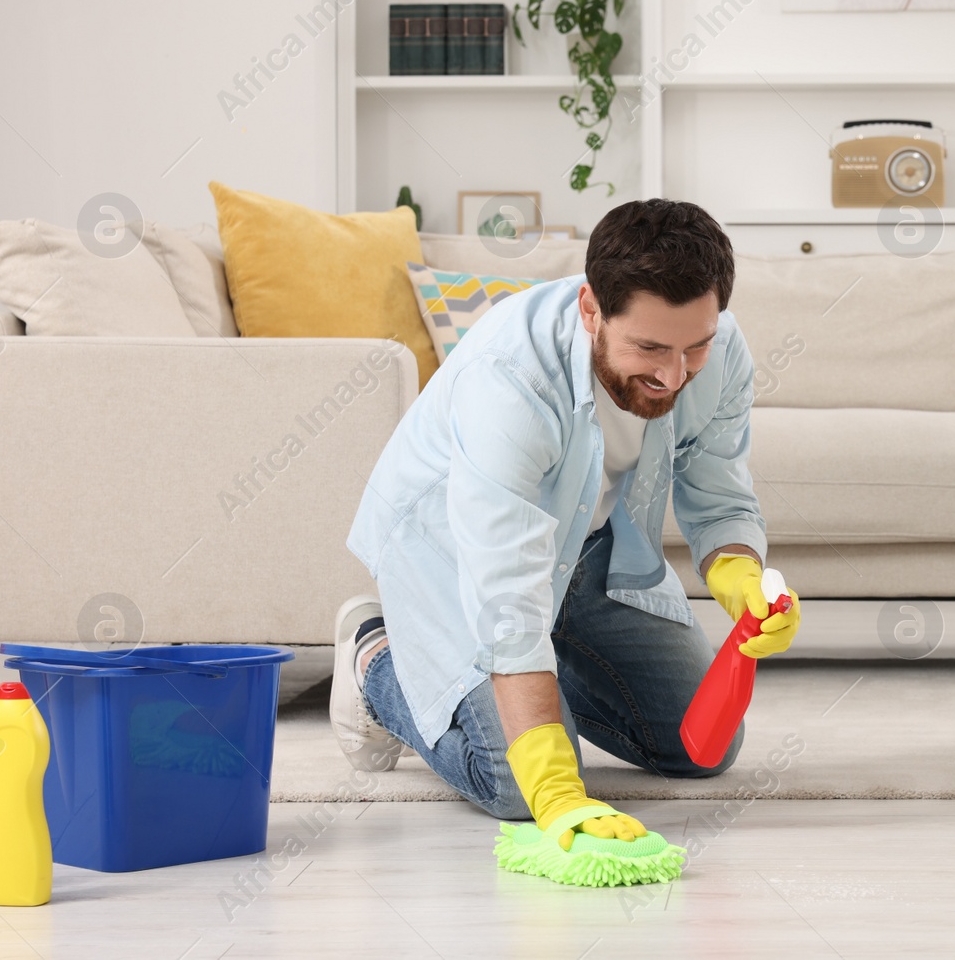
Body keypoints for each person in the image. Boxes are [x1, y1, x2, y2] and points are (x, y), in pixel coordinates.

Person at [331, 198, 800, 850]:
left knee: (702, 746)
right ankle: (376, 654)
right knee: (518, 785)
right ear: (590, 310)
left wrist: (741, 577)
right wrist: (555, 790)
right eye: (650, 347)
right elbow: (507, 597)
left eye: (696, 345)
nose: (674, 374)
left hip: (590, 543)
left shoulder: (720, 356)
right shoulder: (511, 382)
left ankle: (538, 684)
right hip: (453, 550)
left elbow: (718, 492)